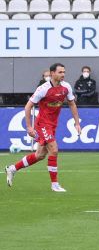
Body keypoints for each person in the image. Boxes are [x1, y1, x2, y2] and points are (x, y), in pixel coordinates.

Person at [5, 63, 82, 193]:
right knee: (54, 149)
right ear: (52, 73)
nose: (63, 74)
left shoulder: (66, 87)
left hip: (53, 125)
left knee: (40, 155)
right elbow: (28, 106)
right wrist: (29, 127)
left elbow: (71, 103)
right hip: (42, 124)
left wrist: (77, 123)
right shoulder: (43, 88)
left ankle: (12, 168)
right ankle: (55, 184)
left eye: (64, 72)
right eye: (60, 72)